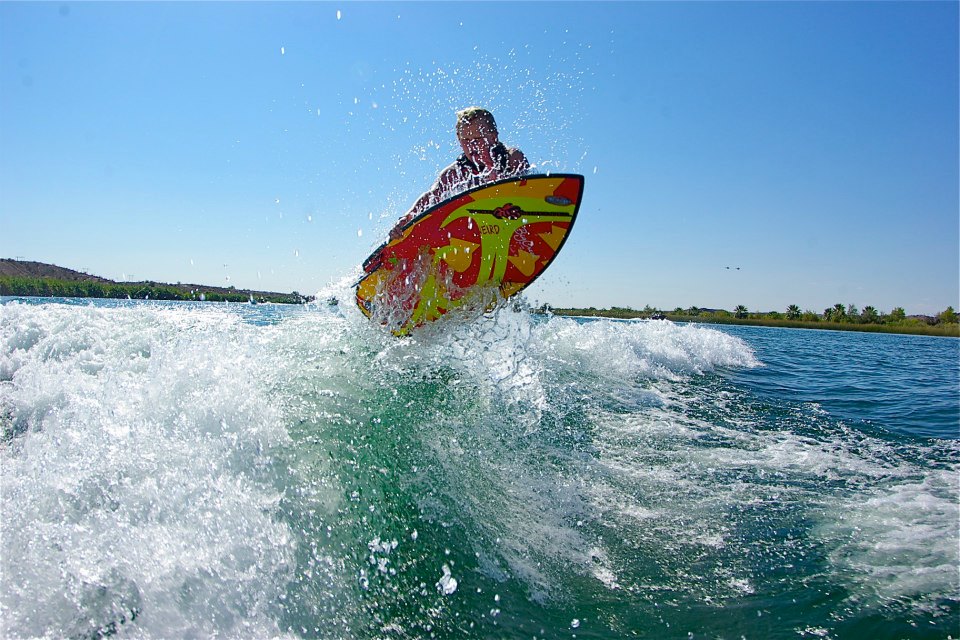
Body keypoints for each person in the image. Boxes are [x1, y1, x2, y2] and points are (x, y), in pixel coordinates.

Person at [388, 107, 529, 240]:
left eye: (478, 139)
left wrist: (492, 168)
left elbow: (526, 194)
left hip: (515, 224)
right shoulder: (455, 173)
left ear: (493, 137)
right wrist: (405, 220)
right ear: (459, 140)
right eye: (465, 140)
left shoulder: (512, 157)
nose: (471, 146)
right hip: (481, 231)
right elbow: (431, 197)